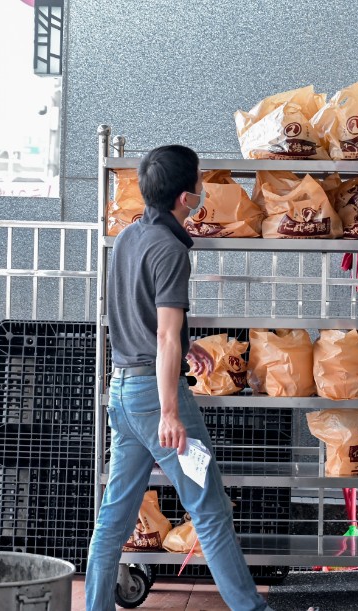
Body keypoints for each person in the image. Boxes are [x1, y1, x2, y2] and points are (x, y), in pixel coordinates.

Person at [85, 145, 274, 611]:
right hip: (155, 399)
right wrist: (171, 410)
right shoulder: (171, 250)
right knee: (210, 510)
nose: (205, 188)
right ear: (187, 198)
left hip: (123, 393)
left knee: (113, 518)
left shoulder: (130, 236)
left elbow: (140, 313)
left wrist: (184, 343)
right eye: (201, 182)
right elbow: (165, 336)